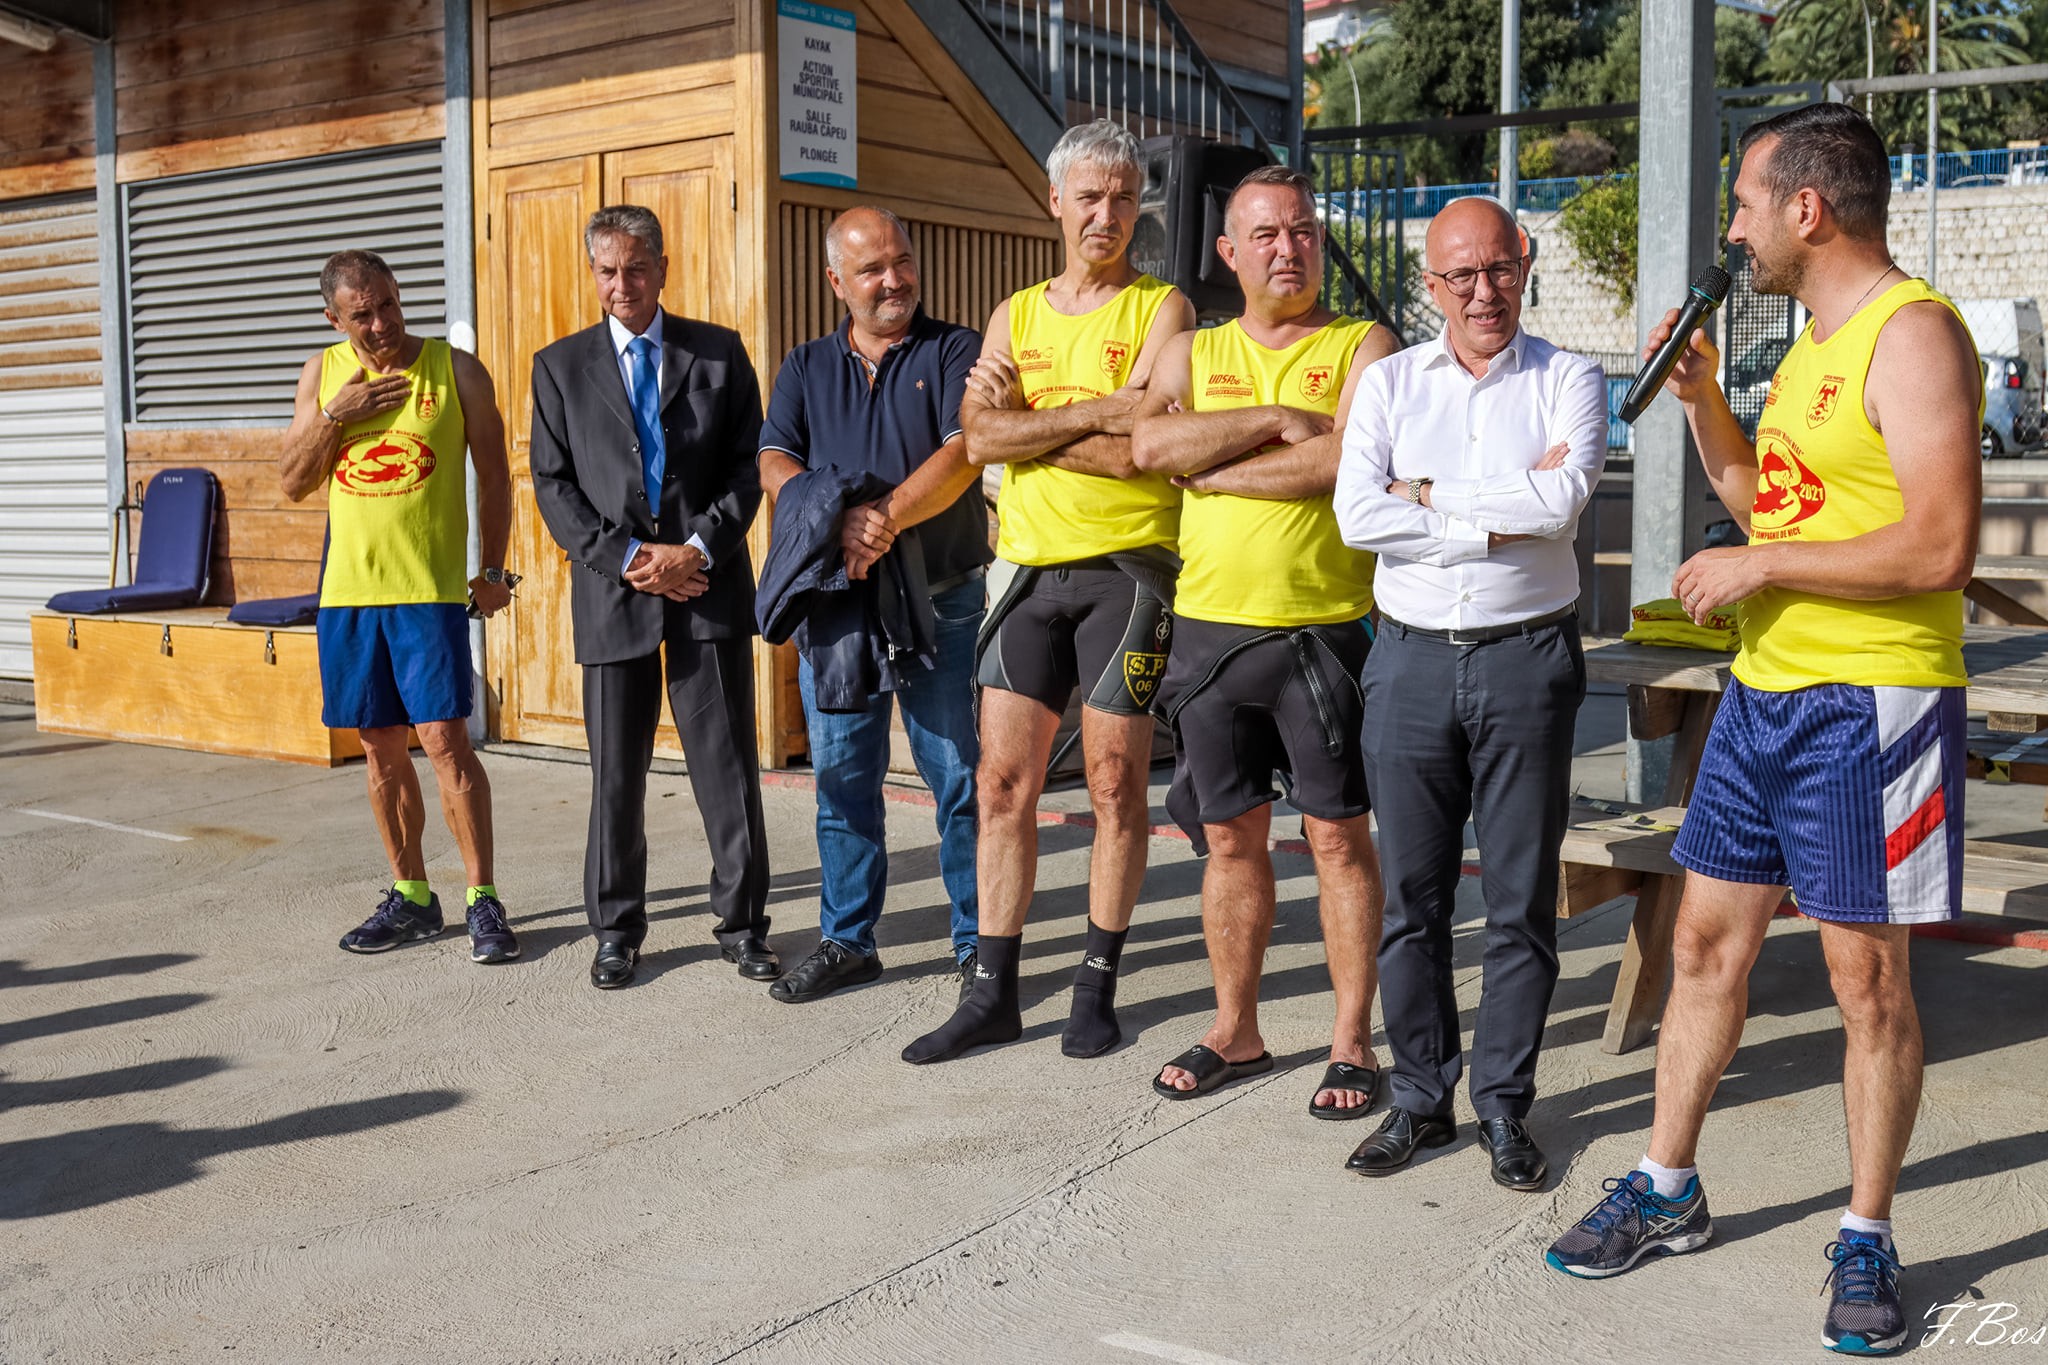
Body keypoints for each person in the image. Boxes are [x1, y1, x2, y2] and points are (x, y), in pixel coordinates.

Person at [1545, 103, 1982, 1358]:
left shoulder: (1911, 334)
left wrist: (1760, 569)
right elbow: (1765, 504)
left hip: (1873, 705)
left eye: (1742, 203)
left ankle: (1865, 1232)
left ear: (1806, 207)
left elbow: (1938, 549)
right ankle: (1665, 1186)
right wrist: (1697, 402)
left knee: (1865, 984)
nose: (1731, 230)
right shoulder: (1805, 349)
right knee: (1700, 947)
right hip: (1761, 696)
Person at [901, 119, 1195, 1065]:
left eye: (1124, 198)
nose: (1108, 214)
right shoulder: (1015, 314)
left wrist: (1030, 420)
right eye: (1091, 197)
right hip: (1026, 570)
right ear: (1056, 201)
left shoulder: (1165, 309)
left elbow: (1141, 445)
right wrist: (1096, 412)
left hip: (1128, 569)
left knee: (1114, 783)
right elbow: (977, 438)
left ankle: (1096, 985)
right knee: (1001, 784)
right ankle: (991, 991)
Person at [1334, 196, 1608, 1186]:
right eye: (1461, 275)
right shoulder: (1389, 382)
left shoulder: (1569, 377)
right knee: (1410, 900)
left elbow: (1562, 501)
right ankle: (1419, 1098)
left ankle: (1501, 1105)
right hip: (1407, 658)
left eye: (1499, 269)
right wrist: (1492, 516)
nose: (1483, 292)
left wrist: (1421, 494)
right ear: (1431, 284)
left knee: (1518, 900)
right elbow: (1356, 515)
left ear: (1523, 268)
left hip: (1524, 657)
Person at [1130, 166, 1398, 1115]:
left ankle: (1352, 1039)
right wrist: (1275, 421)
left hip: (1324, 633)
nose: (1291, 248)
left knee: (1338, 840)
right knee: (1229, 840)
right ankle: (1234, 1030)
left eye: (1304, 230)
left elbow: (1345, 461)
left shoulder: (1365, 344)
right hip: (1210, 637)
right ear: (1228, 253)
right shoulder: (1192, 349)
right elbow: (1148, 448)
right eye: (1268, 234)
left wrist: (1212, 463)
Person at [528, 205, 775, 991]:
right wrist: (630, 557)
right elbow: (553, 482)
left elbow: (749, 465)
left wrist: (696, 548)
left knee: (727, 767)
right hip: (615, 594)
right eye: (607, 271)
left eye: (637, 268)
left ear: (663, 268)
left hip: (706, 586)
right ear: (593, 274)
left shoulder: (719, 352)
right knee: (615, 775)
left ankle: (743, 924)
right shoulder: (558, 367)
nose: (622, 284)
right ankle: (616, 930)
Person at [756, 207, 987, 1003]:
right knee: (842, 778)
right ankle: (849, 939)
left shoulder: (953, 349)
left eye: (902, 261)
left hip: (942, 598)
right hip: (839, 606)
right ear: (836, 281)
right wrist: (836, 514)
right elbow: (774, 458)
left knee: (959, 776)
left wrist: (879, 518)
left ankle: (978, 943)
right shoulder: (805, 365)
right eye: (872, 269)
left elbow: (964, 450)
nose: (894, 280)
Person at [279, 250, 519, 965]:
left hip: (427, 591)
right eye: (363, 315)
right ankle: (411, 895)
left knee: (445, 740)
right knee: (380, 746)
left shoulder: (454, 369)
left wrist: (494, 570)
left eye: (389, 304)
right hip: (350, 595)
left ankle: (482, 898)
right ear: (334, 319)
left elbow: (496, 476)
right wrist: (337, 413)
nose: (382, 323)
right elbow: (292, 480)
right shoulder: (321, 374)